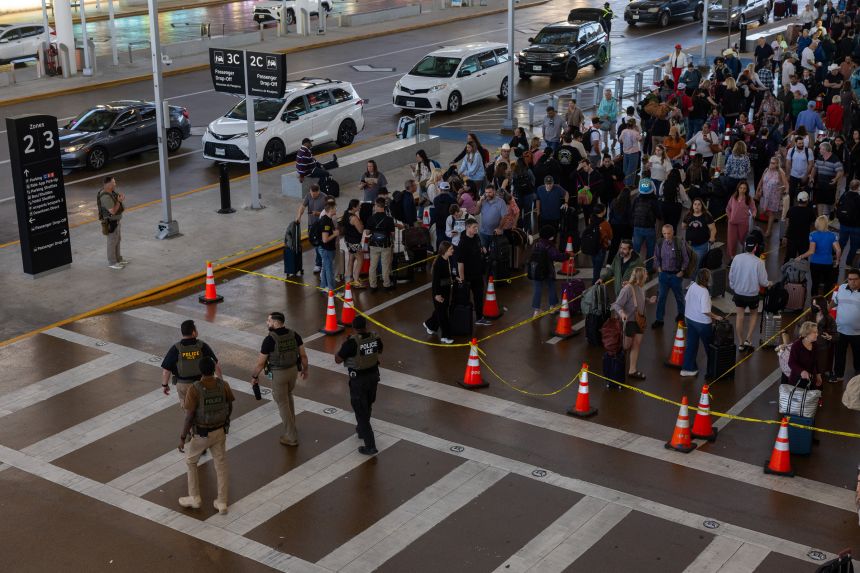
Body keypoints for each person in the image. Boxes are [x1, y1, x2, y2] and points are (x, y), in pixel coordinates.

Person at [177, 356, 233, 514]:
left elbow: (189, 416)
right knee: (221, 466)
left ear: (200, 370)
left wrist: (182, 437)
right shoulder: (223, 385)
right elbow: (229, 405)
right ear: (214, 369)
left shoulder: (195, 388)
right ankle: (222, 502)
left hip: (201, 434)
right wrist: (226, 423)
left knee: (191, 461)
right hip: (220, 431)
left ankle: (194, 497)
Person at [249, 312, 308, 446]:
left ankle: (291, 436)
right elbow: (303, 356)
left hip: (278, 374)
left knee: (282, 403)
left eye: (269, 321)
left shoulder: (270, 340)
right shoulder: (294, 335)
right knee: (288, 396)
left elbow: (260, 363)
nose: (267, 323)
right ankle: (292, 426)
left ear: (276, 323)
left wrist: (254, 376)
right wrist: (305, 369)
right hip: (293, 371)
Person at [334, 315, 382, 456]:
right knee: (367, 405)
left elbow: (338, 359)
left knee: (360, 411)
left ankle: (370, 445)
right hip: (373, 377)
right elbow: (380, 350)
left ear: (354, 328)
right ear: (365, 326)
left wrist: (344, 345)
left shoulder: (352, 343)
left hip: (359, 381)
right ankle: (361, 430)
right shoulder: (375, 338)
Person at [160, 320, 221, 407]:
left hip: (183, 385)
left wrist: (165, 385)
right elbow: (215, 365)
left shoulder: (176, 348)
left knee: (188, 409)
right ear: (193, 332)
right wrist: (221, 382)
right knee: (203, 407)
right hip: (201, 384)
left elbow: (166, 370)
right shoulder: (202, 346)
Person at [611, 266, 655, 380]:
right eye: (645, 274)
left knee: (636, 344)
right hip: (629, 321)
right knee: (626, 346)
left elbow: (641, 298)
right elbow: (616, 304)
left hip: (639, 321)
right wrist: (622, 313)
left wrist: (649, 300)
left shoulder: (640, 287)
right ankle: (616, 367)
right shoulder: (627, 289)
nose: (647, 276)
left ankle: (632, 370)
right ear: (640, 276)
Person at [729, 236, 771, 351]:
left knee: (740, 317)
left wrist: (734, 287)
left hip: (739, 293)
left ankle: (741, 343)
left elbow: (731, 276)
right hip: (752, 295)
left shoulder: (737, 258)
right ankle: (749, 339)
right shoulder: (759, 262)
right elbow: (763, 281)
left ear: (745, 246)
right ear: (755, 248)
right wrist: (769, 283)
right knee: (753, 315)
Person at [681, 269, 723, 377]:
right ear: (707, 279)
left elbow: (686, 299)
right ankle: (713, 370)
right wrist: (716, 317)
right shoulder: (704, 292)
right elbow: (705, 311)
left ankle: (688, 369)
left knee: (691, 344)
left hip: (689, 319)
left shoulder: (693, 285)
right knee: (710, 347)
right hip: (702, 323)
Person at [652, 224, 688, 329]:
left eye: (668, 233)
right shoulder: (659, 243)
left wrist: (681, 271)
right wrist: (659, 269)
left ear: (673, 232)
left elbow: (686, 259)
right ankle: (659, 320)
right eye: (664, 233)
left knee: (679, 297)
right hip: (663, 275)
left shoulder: (679, 243)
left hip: (675, 276)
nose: (666, 236)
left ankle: (681, 315)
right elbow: (656, 257)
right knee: (661, 298)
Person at [456, 219, 491, 326]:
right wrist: (462, 279)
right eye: (474, 227)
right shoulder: (462, 243)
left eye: (477, 227)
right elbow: (460, 263)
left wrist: (482, 249)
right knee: (465, 299)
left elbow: (479, 247)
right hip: (467, 276)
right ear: (467, 228)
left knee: (479, 297)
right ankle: (464, 320)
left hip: (478, 274)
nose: (476, 229)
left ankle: (479, 318)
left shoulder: (476, 237)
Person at [529, 225, 569, 316]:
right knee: (551, 287)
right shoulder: (549, 246)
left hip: (536, 270)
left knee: (537, 289)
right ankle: (552, 307)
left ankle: (536, 310)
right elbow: (557, 256)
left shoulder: (536, 244)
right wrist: (567, 255)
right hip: (548, 271)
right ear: (551, 236)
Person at [798, 215, 841, 295]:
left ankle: (813, 302)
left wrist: (800, 257)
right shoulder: (833, 235)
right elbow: (838, 250)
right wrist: (837, 261)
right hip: (828, 263)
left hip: (815, 263)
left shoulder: (812, 235)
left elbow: (811, 251)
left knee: (815, 283)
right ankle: (825, 300)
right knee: (827, 284)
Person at [423, 242, 456, 344]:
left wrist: (455, 278)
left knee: (440, 310)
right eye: (451, 249)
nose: (453, 250)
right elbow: (436, 281)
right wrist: (437, 295)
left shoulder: (447, 260)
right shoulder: (439, 263)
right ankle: (445, 336)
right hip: (439, 292)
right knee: (442, 314)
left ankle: (429, 324)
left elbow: (448, 274)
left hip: (445, 290)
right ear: (445, 251)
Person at [296, 184, 331, 273]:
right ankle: (321, 263)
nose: (313, 196)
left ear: (319, 191)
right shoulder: (308, 195)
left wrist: (318, 213)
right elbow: (303, 206)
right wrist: (299, 216)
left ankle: (319, 264)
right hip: (311, 225)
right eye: (312, 194)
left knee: (319, 245)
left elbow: (328, 213)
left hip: (320, 226)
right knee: (316, 244)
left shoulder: (324, 198)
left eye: (315, 194)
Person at [833, 268, 860, 383]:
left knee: (858, 355)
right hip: (841, 330)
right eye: (850, 279)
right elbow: (834, 302)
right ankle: (838, 375)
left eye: (855, 279)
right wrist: (824, 311)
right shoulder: (842, 289)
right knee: (839, 355)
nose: (852, 282)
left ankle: (858, 377)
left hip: (858, 333)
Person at [366, 198, 396, 292]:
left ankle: (373, 286)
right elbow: (392, 234)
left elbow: (367, 233)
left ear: (377, 206)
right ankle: (386, 285)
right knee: (385, 265)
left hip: (374, 245)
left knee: (373, 266)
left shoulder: (371, 218)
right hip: (385, 245)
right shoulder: (389, 219)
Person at [631, 179, 661, 273]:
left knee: (636, 250)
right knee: (650, 249)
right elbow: (659, 215)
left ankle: (633, 269)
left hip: (637, 228)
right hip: (649, 229)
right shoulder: (653, 201)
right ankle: (648, 269)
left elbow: (632, 212)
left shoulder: (636, 199)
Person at [755, 156, 788, 238]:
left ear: (777, 164)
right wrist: (758, 190)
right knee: (763, 211)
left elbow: (786, 185)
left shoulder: (780, 172)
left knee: (771, 213)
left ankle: (769, 231)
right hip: (765, 194)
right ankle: (768, 228)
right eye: (770, 162)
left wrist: (781, 189)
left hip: (774, 196)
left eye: (773, 163)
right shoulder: (766, 170)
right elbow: (761, 181)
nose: (771, 164)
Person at [97, 176, 126, 269]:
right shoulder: (105, 196)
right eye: (113, 182)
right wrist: (119, 201)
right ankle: (112, 262)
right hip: (111, 223)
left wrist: (120, 199)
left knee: (117, 241)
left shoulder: (112, 193)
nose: (115, 184)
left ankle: (118, 259)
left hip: (116, 221)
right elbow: (112, 211)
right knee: (112, 242)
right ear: (108, 184)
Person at [682, 199, 716, 274]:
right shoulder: (688, 215)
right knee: (690, 264)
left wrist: (712, 238)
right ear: (692, 206)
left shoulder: (706, 216)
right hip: (689, 245)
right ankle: (694, 280)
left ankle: (694, 282)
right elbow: (683, 226)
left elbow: (713, 229)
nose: (696, 206)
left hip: (701, 246)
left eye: (699, 204)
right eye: (695, 204)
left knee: (696, 265)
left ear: (702, 206)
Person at [810, 141, 844, 217]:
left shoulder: (835, 159)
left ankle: (831, 212)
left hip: (830, 186)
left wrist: (835, 179)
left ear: (825, 150)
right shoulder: (819, 157)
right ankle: (820, 218)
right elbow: (815, 168)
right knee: (819, 201)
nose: (819, 150)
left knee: (830, 203)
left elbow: (840, 171)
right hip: (820, 185)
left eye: (821, 149)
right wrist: (812, 177)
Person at [725, 181, 757, 260]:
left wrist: (754, 213)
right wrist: (730, 218)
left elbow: (753, 208)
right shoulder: (733, 197)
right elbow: (728, 208)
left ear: (746, 190)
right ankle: (732, 258)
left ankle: (743, 256)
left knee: (743, 240)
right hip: (732, 223)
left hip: (743, 223)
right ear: (738, 188)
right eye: (741, 188)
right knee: (731, 241)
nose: (742, 190)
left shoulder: (748, 199)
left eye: (744, 188)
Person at [810, 295, 838, 383]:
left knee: (820, 367)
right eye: (813, 304)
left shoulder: (829, 319)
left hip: (823, 348)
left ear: (822, 306)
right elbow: (800, 328)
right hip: (809, 346)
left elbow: (836, 335)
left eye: (816, 305)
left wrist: (830, 337)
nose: (814, 307)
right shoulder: (808, 316)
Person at [783, 191, 817, 262]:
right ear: (807, 201)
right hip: (804, 239)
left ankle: (787, 271)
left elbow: (787, 224)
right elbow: (814, 225)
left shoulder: (791, 210)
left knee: (789, 257)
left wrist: (785, 236)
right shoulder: (810, 212)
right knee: (804, 259)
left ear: (798, 200)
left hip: (791, 238)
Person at [788, 321, 822, 387]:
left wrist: (818, 375)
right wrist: (802, 371)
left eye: (817, 332)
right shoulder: (796, 345)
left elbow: (816, 361)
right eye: (814, 332)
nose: (817, 334)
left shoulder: (815, 345)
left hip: (810, 379)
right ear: (807, 334)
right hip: (797, 380)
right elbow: (791, 363)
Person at [340, 199, 365, 288]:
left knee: (351, 258)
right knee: (360, 259)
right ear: (354, 207)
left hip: (348, 240)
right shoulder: (354, 218)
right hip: (354, 242)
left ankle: (349, 278)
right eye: (359, 206)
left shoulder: (346, 213)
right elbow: (360, 230)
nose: (360, 207)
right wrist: (361, 223)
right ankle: (356, 280)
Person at [317, 201, 339, 293]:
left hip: (327, 249)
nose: (336, 209)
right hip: (326, 249)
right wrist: (335, 234)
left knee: (326, 268)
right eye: (335, 208)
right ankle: (331, 290)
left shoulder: (327, 219)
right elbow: (325, 239)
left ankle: (323, 287)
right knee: (329, 269)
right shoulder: (326, 222)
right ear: (331, 209)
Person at [837, 179, 860, 264]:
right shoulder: (858, 198)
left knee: (841, 243)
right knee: (854, 246)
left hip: (844, 224)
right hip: (856, 227)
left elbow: (838, 206)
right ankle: (848, 263)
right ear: (858, 187)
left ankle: (837, 259)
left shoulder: (844, 195)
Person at [432, 181, 456, 247]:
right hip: (449, 224)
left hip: (439, 224)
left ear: (440, 189)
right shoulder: (452, 200)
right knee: (449, 243)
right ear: (449, 189)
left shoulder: (436, 199)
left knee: (440, 242)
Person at [619, 119, 642, 187]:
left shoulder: (624, 131)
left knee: (625, 168)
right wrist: (638, 130)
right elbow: (640, 139)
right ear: (634, 125)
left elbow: (620, 140)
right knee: (632, 169)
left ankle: (625, 182)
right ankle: (629, 184)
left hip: (625, 152)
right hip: (633, 153)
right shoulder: (635, 133)